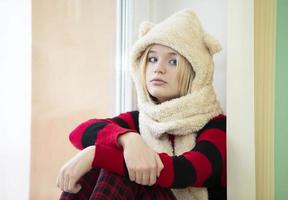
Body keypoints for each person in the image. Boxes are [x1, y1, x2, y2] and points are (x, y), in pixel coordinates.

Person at [57, 9, 226, 200]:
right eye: (152, 59)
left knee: (120, 168)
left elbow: (187, 171)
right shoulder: (141, 120)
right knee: (99, 168)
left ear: (196, 70)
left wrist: (95, 154)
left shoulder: (216, 125)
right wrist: (129, 139)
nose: (158, 68)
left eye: (172, 61)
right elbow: (80, 132)